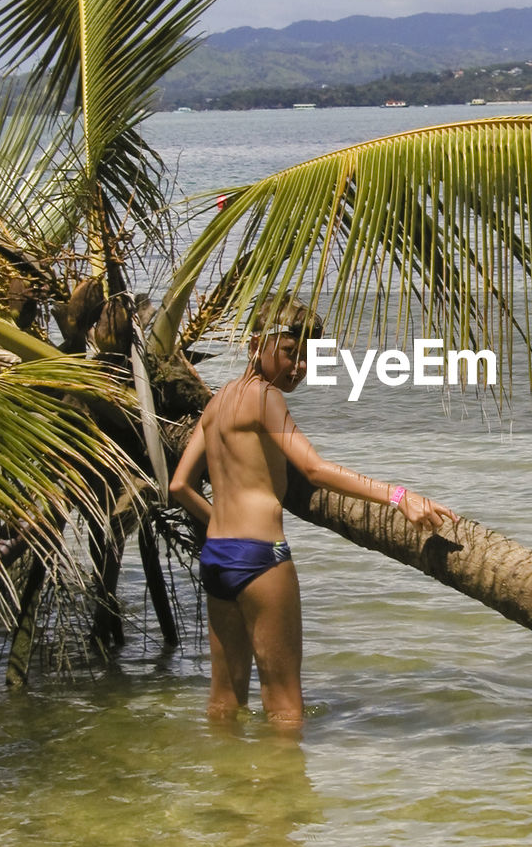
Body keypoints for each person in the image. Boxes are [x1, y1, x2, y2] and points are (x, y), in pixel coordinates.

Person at [170, 298, 458, 727]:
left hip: (216, 556)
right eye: (291, 352)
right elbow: (314, 468)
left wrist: (218, 524)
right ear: (256, 345)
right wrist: (399, 496)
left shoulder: (218, 403)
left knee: (224, 700)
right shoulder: (266, 398)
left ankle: (227, 789)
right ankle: (285, 791)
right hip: (259, 559)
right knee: (285, 705)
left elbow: (179, 486)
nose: (300, 366)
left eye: (308, 356)